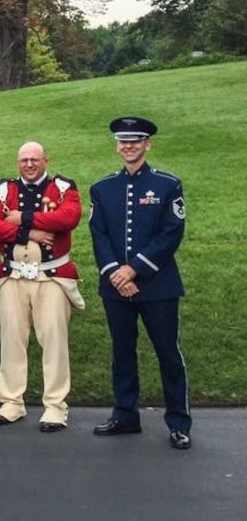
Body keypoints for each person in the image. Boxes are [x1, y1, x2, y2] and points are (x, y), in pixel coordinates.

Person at [89, 117, 191, 450]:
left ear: (148, 144)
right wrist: (114, 273)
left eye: (136, 141)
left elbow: (171, 233)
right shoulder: (102, 188)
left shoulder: (167, 184)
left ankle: (178, 422)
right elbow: (99, 234)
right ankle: (126, 414)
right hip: (115, 287)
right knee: (122, 352)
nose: (128, 146)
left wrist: (134, 271)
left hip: (158, 285)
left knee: (168, 354)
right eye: (123, 141)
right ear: (117, 145)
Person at [0, 141, 84, 432]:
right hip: (13, 276)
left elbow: (68, 218)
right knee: (12, 340)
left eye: (34, 159)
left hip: (50, 276)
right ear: (18, 163)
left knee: (53, 341)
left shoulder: (62, 186)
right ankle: (12, 401)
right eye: (24, 159)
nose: (29, 164)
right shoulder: (4, 189)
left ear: (45, 160)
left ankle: (55, 406)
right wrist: (31, 232)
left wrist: (21, 217)